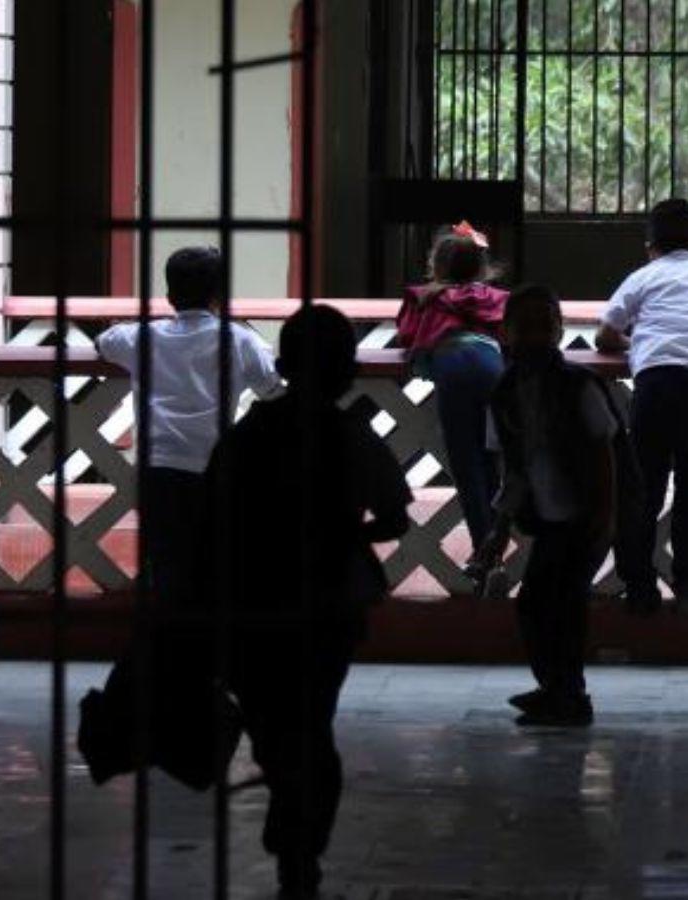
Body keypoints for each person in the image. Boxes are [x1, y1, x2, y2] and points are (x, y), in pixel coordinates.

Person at [205, 305, 412, 898]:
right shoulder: (350, 436)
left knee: (272, 723)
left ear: (281, 363)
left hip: (251, 596)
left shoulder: (247, 436)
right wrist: (345, 535)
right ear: (348, 371)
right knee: (313, 722)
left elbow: (212, 521)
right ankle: (302, 845)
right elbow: (395, 517)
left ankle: (288, 817)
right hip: (328, 598)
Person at [95, 246, 281, 605]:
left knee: (164, 559)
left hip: (158, 466)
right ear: (219, 296)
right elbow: (271, 386)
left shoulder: (142, 337)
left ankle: (166, 635)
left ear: (169, 295)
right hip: (213, 465)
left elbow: (103, 343)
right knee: (214, 557)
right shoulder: (239, 340)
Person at [473, 285, 618, 727]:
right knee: (537, 604)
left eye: (544, 323)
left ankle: (568, 694)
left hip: (585, 515)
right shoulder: (504, 393)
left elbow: (604, 454)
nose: (536, 333)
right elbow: (512, 468)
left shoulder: (579, 385)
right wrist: (499, 529)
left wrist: (605, 515)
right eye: (526, 324)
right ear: (506, 332)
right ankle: (557, 688)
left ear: (559, 330)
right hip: (549, 517)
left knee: (563, 604)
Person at [595, 198, 688, 615]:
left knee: (642, 488)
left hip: (653, 385)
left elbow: (605, 336)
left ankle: (639, 585)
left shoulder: (643, 277)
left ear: (650, 247)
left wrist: (641, 342)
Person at [397, 222, 508, 554]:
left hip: (453, 366)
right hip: (493, 368)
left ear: (436, 266)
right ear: (482, 267)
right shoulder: (498, 299)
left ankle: (484, 550)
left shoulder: (425, 297)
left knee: (465, 461)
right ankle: (498, 545)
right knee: (490, 456)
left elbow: (406, 335)